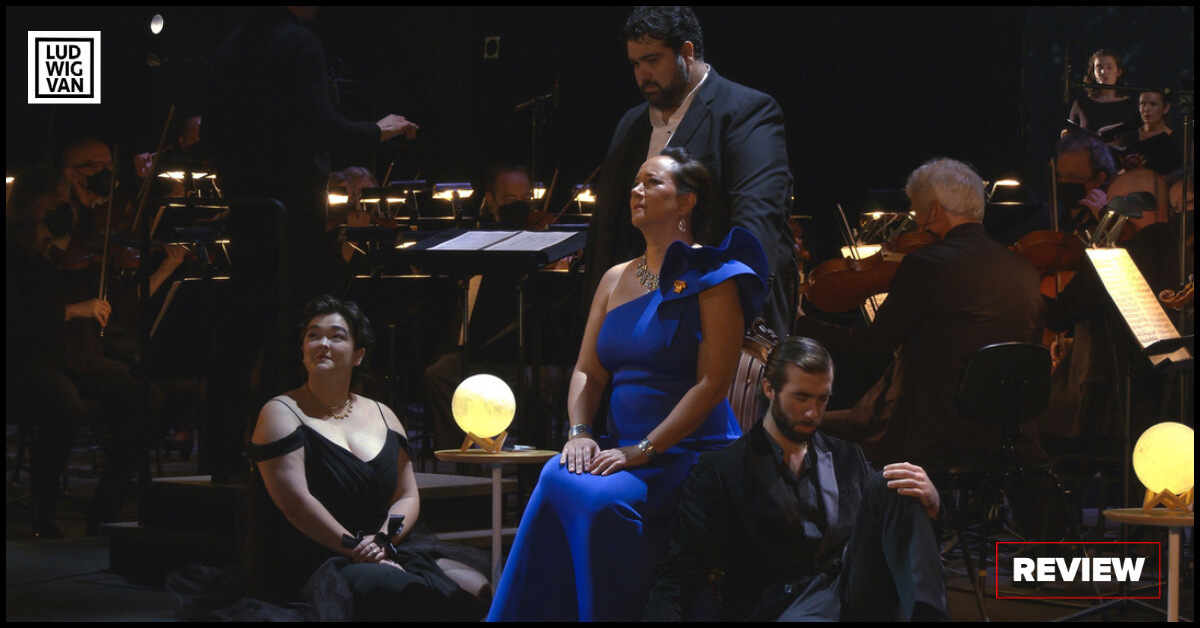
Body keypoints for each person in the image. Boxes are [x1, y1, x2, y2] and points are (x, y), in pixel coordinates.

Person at [486, 148, 768, 621]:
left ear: (686, 202)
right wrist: (580, 433)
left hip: (690, 453)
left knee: (598, 502)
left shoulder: (716, 277)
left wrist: (643, 450)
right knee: (556, 474)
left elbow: (712, 385)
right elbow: (587, 371)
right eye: (636, 182)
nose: (636, 190)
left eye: (652, 182)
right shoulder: (615, 278)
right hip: (621, 449)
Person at [204, 6, 419, 481]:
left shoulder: (232, 44)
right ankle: (282, 455)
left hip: (248, 209)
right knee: (289, 333)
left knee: (240, 337)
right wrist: (376, 131)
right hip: (292, 210)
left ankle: (220, 456)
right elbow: (317, 121)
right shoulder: (299, 42)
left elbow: (213, 131)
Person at [643, 336, 947, 621]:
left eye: (822, 399)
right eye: (801, 398)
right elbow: (678, 574)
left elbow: (896, 538)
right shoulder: (723, 470)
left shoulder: (847, 456)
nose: (813, 413)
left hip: (849, 595)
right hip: (783, 608)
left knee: (893, 482)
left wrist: (933, 506)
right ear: (769, 389)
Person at [245, 295, 488, 621]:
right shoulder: (280, 412)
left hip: (383, 544)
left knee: (479, 588)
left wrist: (384, 540)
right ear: (302, 351)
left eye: (336, 336)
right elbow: (297, 505)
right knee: (408, 592)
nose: (323, 344)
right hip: (319, 556)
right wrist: (359, 549)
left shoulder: (383, 414)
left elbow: (406, 495)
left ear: (358, 355)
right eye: (313, 335)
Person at [795, 158, 1045, 466]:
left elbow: (872, 348)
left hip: (932, 433)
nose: (915, 223)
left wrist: (804, 324)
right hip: (1007, 434)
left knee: (804, 424)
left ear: (935, 212)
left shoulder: (926, 265)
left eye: (916, 212)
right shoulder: (1024, 270)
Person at [582, 6, 794, 339]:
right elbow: (607, 229)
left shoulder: (746, 111)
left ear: (687, 53)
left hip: (711, 311)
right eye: (635, 64)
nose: (643, 75)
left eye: (653, 60)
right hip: (634, 315)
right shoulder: (631, 123)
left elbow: (754, 224)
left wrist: (730, 313)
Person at [5, 166, 163, 538]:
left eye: (68, 202)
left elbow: (123, 308)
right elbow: (15, 324)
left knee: (149, 398)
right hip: (33, 360)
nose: (67, 209)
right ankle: (45, 508)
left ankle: (105, 508)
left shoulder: (80, 247)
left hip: (85, 358)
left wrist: (163, 267)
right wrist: (72, 310)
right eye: (56, 201)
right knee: (64, 403)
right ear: (32, 204)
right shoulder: (14, 254)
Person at [1063, 48, 1138, 143]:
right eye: (1099, 67)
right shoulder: (1081, 104)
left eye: (1109, 67)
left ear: (1119, 72)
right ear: (1093, 73)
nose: (1103, 72)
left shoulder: (1131, 104)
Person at [1117, 90, 1182, 176]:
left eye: (1153, 104)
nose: (1146, 109)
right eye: (1143, 104)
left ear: (1166, 108)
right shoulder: (1127, 138)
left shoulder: (1177, 140)